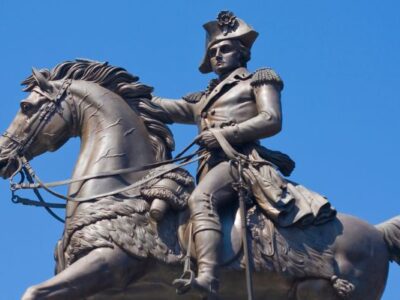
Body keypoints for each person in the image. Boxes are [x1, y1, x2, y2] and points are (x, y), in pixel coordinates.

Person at [152, 11, 335, 297]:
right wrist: (129, 94)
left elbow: (271, 119)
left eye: (225, 49)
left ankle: (209, 276)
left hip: (241, 162)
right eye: (213, 51)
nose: (218, 55)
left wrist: (224, 134)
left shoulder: (258, 80)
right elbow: (162, 108)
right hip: (209, 168)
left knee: (202, 198)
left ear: (242, 53)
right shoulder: (202, 99)